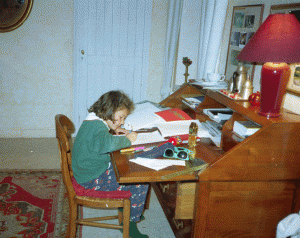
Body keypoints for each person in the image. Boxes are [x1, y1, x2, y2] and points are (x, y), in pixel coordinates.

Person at [72, 90, 149, 238]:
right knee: (139, 179)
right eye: (120, 118)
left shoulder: (93, 121)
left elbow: (100, 140)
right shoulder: (98, 128)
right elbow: (106, 144)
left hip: (86, 170)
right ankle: (130, 224)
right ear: (109, 111)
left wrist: (115, 128)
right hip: (91, 178)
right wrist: (128, 139)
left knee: (126, 166)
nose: (122, 122)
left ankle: (131, 210)